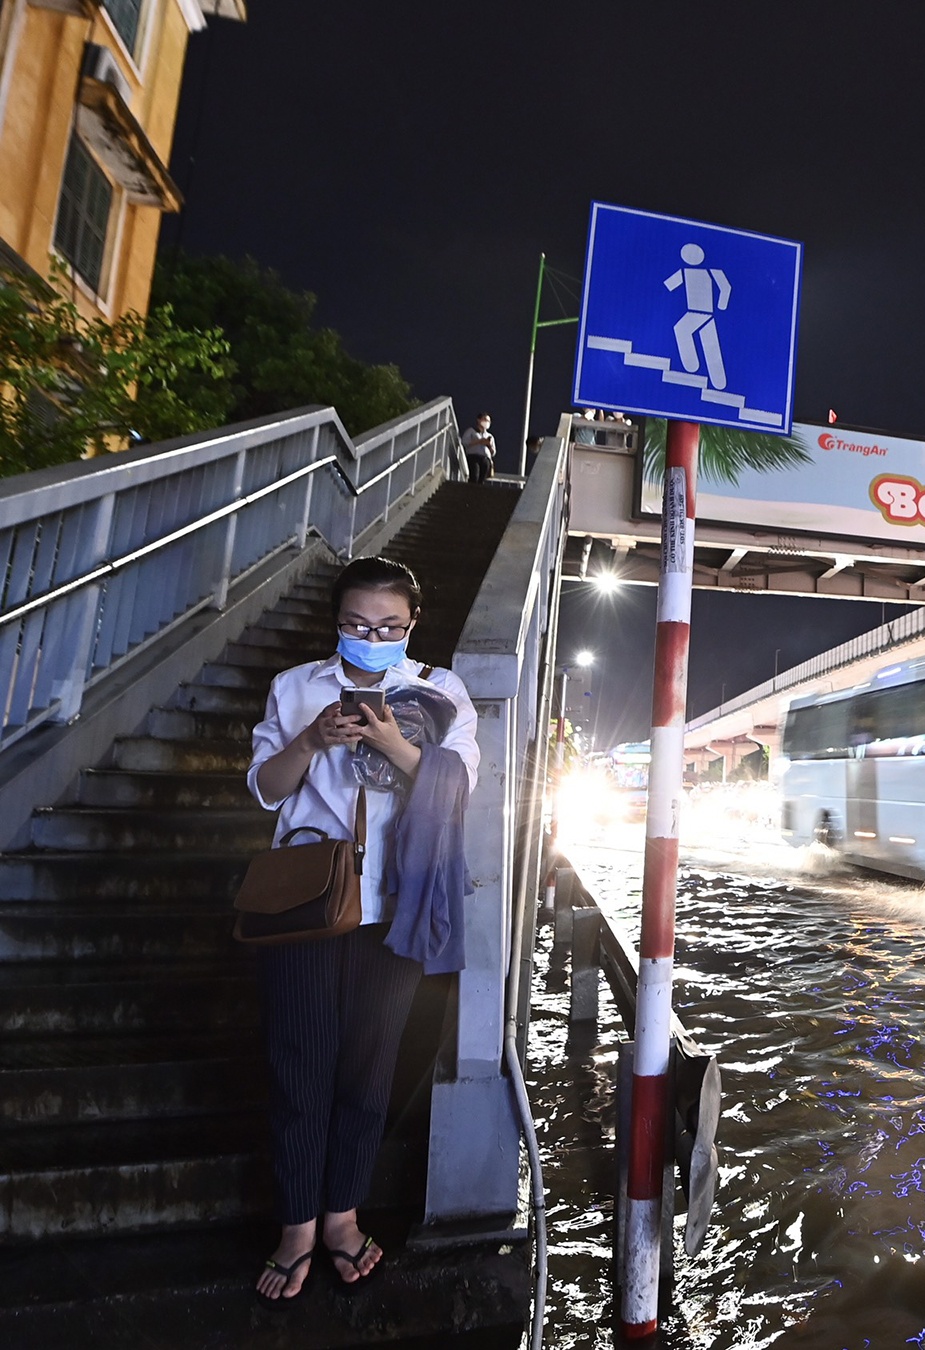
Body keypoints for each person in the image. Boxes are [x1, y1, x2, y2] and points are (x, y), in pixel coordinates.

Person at [246, 558, 480, 1300]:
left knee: (368, 1069)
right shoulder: (296, 687)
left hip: (395, 905)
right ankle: (297, 1226)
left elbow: (458, 787)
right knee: (298, 1064)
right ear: (335, 622)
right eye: (355, 624)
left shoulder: (440, 692)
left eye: (388, 627)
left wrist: (392, 743)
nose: (371, 638)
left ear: (412, 625)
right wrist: (312, 741)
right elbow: (266, 790)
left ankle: (342, 1217)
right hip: (307, 904)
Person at [461, 413, 496, 482]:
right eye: (485, 419)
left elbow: (493, 452)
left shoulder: (490, 436)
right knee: (474, 476)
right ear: (479, 420)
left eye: (488, 421)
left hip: (485, 459)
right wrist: (479, 441)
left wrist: (489, 445)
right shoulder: (471, 431)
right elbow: (464, 442)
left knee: (482, 479)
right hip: (473, 457)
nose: (487, 422)